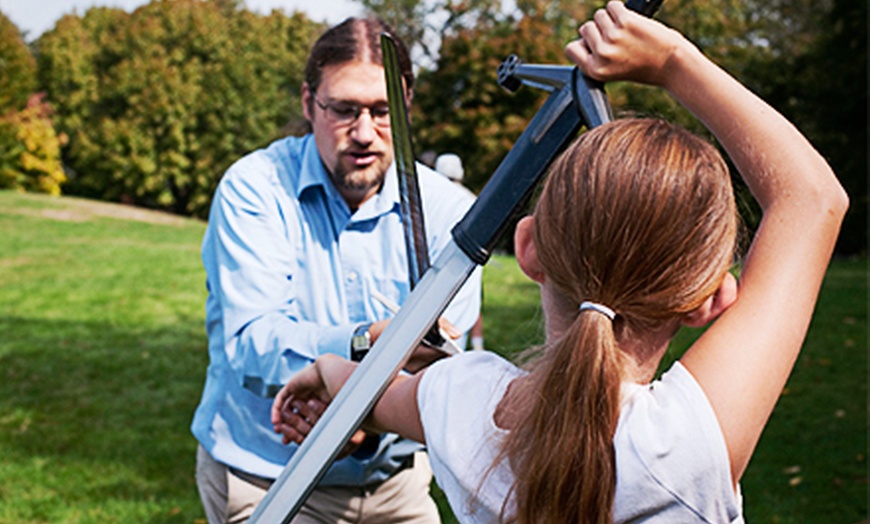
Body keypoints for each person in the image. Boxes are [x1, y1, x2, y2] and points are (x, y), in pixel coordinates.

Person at [271, 3, 848, 523]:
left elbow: (377, 393)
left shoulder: (461, 402)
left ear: (528, 249)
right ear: (713, 299)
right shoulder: (687, 444)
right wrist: (674, 61)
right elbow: (812, 199)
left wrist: (324, 371)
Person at [191, 16, 482, 524]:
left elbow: (444, 363)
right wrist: (370, 341)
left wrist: (360, 421)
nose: (364, 133)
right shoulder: (255, 189)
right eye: (344, 110)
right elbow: (253, 340)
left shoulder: (451, 214)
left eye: (382, 110)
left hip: (395, 485)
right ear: (309, 103)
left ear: (407, 104)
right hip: (267, 477)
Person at [434, 152, 485, 350]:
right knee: (471, 301)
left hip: (443, 263)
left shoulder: (435, 196)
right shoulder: (470, 198)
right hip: (468, 261)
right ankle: (475, 345)